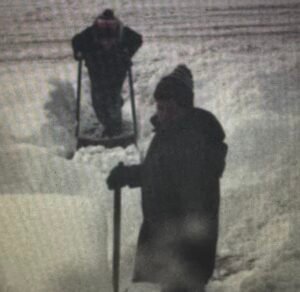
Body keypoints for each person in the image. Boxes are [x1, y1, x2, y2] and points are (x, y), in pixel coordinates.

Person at [107, 64, 228, 292]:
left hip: (184, 248)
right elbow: (160, 172)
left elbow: (180, 186)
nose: (162, 116)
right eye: (160, 108)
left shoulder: (193, 142)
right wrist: (128, 175)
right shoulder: (172, 132)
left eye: (169, 110)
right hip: (169, 240)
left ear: (185, 108)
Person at [72, 9, 143, 137]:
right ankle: (108, 121)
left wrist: (129, 51)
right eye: (103, 24)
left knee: (112, 97)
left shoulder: (122, 32)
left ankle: (114, 127)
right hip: (97, 71)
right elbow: (76, 41)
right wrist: (78, 52)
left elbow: (137, 39)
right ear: (98, 23)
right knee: (98, 100)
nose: (106, 28)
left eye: (109, 24)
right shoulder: (91, 33)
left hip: (117, 70)